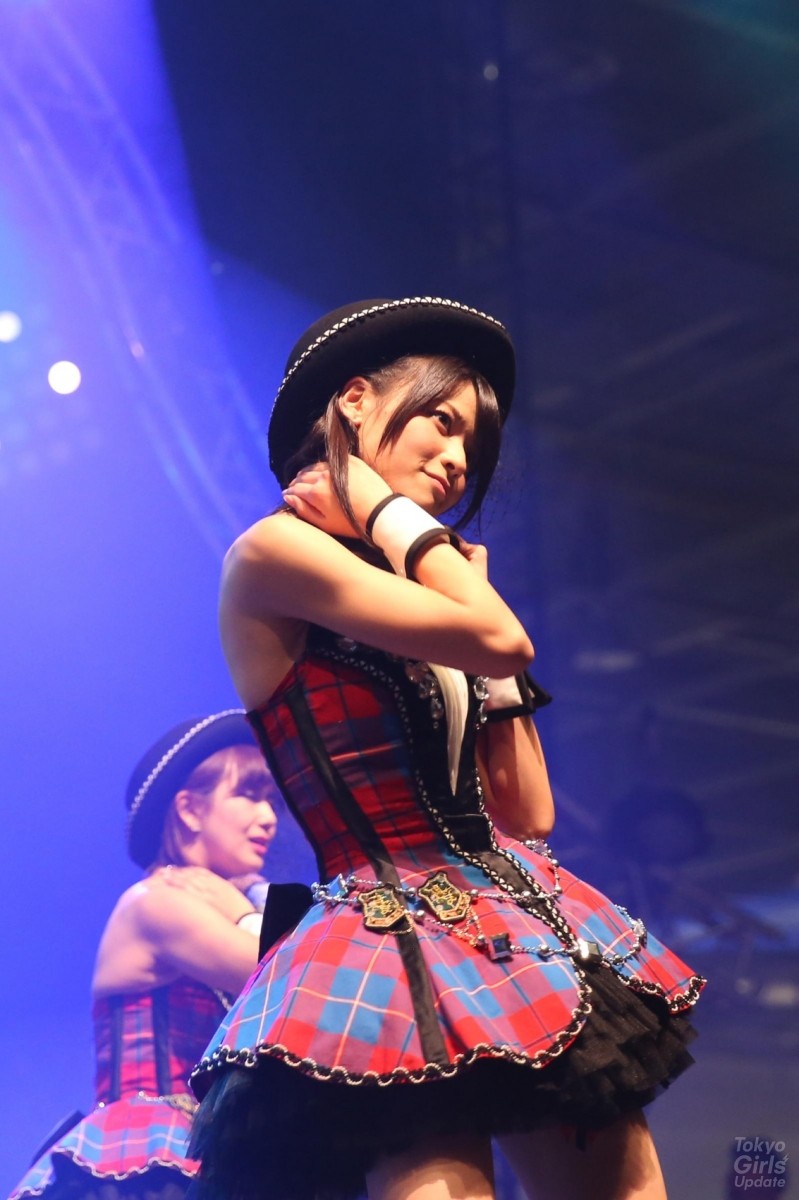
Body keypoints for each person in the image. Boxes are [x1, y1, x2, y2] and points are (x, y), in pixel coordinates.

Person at [188, 298, 706, 1200]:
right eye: (440, 420)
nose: (459, 457)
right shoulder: (273, 552)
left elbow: (526, 810)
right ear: (354, 400)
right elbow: (504, 638)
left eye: (473, 439)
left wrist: (450, 591)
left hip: (508, 913)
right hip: (381, 931)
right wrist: (389, 514)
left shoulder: (424, 589)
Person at [10, 710, 281, 1200]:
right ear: (190, 810)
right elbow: (287, 975)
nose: (269, 818)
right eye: (248, 794)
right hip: (147, 1151)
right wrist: (242, 907)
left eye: (271, 800)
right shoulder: (153, 903)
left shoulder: (217, 905)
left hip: (215, 1147)